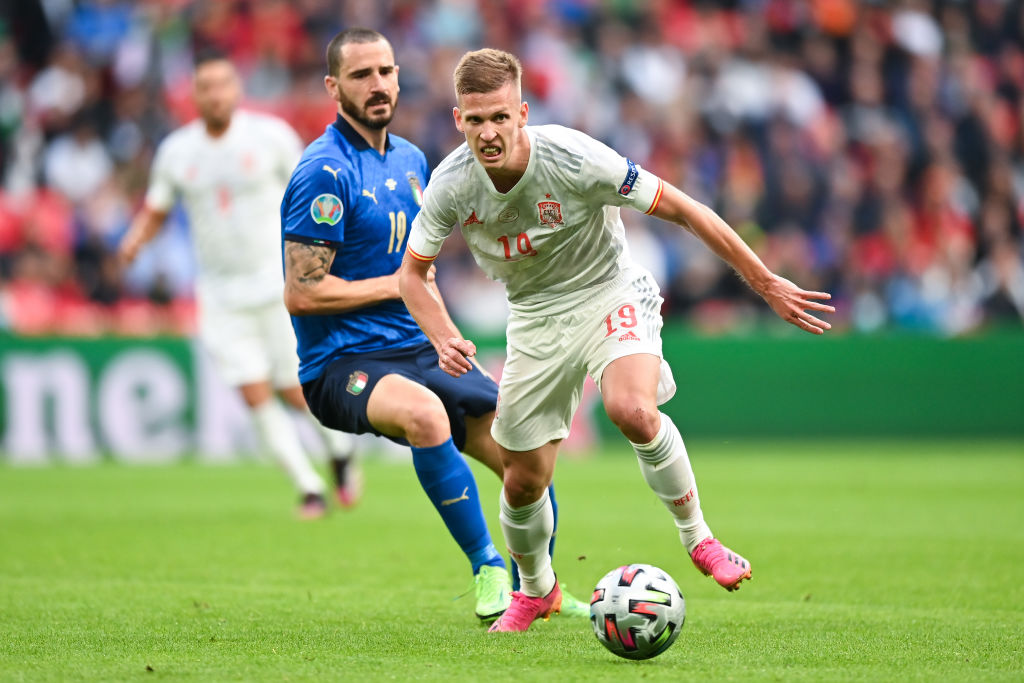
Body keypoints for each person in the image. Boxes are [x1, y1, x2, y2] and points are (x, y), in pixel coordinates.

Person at [399, 48, 836, 633]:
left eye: (500, 117)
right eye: (475, 120)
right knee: (523, 477)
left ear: (522, 112)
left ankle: (699, 538)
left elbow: (684, 207)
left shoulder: (575, 157)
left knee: (631, 409)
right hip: (534, 317)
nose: (488, 132)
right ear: (458, 121)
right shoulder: (451, 183)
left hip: (610, 292)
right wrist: (443, 332)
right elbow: (412, 273)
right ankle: (535, 591)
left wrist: (763, 282)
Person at [279, 28, 589, 623]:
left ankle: (541, 586)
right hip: (343, 362)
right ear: (333, 86)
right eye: (361, 75)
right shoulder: (323, 171)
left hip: (417, 347)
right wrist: (398, 285)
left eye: (386, 72)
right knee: (424, 415)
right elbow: (302, 291)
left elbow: (422, 276)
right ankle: (487, 567)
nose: (378, 85)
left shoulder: (413, 159)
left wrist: (446, 335)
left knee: (527, 456)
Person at [119, 50, 358, 520]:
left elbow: (311, 194)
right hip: (220, 294)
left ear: (236, 90)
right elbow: (158, 208)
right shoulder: (177, 151)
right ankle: (309, 487)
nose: (214, 95)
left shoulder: (269, 138)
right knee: (252, 392)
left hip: (277, 285)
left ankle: (340, 452)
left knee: (294, 390)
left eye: (222, 85)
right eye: (204, 87)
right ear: (194, 96)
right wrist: (134, 240)